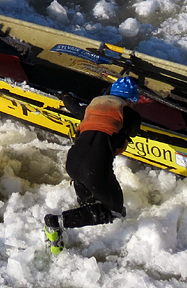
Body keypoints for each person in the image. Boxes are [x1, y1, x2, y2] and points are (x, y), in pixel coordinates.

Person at [44, 77, 143, 254]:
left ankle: (58, 242)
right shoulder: (130, 114)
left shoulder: (92, 108)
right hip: (94, 167)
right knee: (115, 210)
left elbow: (74, 107)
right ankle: (57, 222)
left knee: (88, 205)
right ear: (128, 100)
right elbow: (134, 130)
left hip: (73, 162)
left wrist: (65, 96)